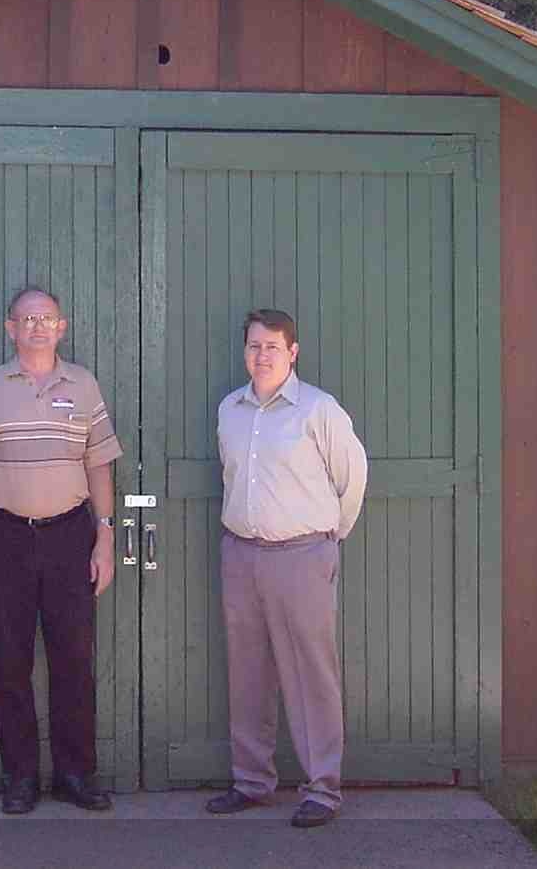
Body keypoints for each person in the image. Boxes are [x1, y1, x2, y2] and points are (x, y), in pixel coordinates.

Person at [0, 286, 121, 814]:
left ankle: (76, 775)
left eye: (47, 318)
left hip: (70, 536)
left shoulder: (84, 385)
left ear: (62, 326)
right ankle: (20, 778)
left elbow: (98, 465)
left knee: (74, 661)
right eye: (27, 319)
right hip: (3, 538)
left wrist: (105, 537)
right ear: (10, 329)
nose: (38, 327)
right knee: (10, 663)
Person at [205, 309, 368, 828]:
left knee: (310, 675)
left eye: (273, 346)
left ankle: (323, 788)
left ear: (292, 352)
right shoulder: (230, 410)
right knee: (247, 673)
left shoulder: (319, 410)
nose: (263, 355)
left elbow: (353, 480)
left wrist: (326, 538)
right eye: (254, 345)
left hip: (302, 557)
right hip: (241, 554)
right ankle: (251, 781)